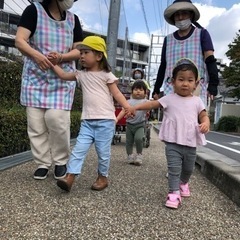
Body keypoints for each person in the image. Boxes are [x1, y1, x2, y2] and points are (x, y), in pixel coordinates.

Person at [51, 35, 132, 192]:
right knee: (78, 149)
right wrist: (52, 63)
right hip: (87, 122)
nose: (81, 56)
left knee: (103, 153)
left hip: (106, 122)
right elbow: (62, 75)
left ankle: (102, 178)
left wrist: (127, 107)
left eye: (85, 52)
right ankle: (70, 177)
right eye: (80, 53)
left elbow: (117, 94)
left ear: (99, 55)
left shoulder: (106, 76)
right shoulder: (80, 75)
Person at [128, 59, 210, 209]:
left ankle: (183, 183)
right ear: (173, 82)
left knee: (188, 169)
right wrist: (137, 107)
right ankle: (173, 192)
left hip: (190, 142)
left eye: (190, 80)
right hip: (172, 142)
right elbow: (152, 104)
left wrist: (205, 123)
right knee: (174, 169)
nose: (185, 83)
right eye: (181, 79)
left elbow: (204, 115)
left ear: (196, 84)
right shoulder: (169, 98)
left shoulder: (197, 101)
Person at [15, 0, 83, 180]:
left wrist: (61, 57)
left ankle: (61, 160)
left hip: (62, 77)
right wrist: (38, 56)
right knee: (35, 124)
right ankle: (43, 163)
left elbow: (79, 51)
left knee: (57, 120)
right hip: (36, 77)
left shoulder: (73, 20)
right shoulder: (33, 11)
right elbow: (20, 40)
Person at [152, 0, 219, 107]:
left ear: (191, 15)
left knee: (195, 121)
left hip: (195, 89)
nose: (180, 17)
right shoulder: (168, 40)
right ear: (173, 18)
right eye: (177, 14)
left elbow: (210, 60)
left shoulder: (202, 34)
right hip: (172, 89)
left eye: (184, 13)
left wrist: (213, 84)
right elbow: (163, 65)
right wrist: (156, 88)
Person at [116, 80, 148, 166]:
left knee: (139, 139)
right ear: (132, 91)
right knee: (129, 141)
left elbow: (150, 107)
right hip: (129, 125)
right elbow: (123, 111)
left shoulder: (146, 101)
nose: (138, 91)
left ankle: (139, 155)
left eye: (141, 90)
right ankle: (130, 156)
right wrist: (117, 119)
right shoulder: (128, 102)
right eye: (136, 89)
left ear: (145, 92)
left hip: (140, 124)